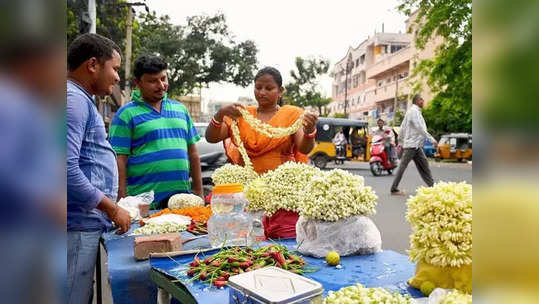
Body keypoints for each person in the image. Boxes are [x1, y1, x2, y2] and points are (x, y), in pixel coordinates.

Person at [205, 66, 318, 238]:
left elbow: (304, 147)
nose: (262, 92)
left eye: (269, 88)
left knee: (280, 239)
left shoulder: (292, 114)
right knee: (246, 238)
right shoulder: (241, 115)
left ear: (280, 91)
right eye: (258, 87)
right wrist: (219, 115)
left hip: (281, 192)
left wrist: (310, 131)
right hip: (247, 192)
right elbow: (211, 137)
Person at [67, 33, 131, 304]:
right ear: (92, 64)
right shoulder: (72, 101)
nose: (117, 78)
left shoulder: (79, 98)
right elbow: (64, 169)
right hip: (76, 225)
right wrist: (111, 208)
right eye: (114, 68)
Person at [109, 55, 202, 209]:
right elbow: (119, 160)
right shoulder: (126, 114)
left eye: (163, 78)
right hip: (143, 205)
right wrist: (123, 201)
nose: (161, 85)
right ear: (137, 83)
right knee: (145, 233)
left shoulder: (181, 109)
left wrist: (198, 192)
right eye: (153, 81)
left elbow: (193, 153)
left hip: (181, 203)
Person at [391, 94, 438, 195]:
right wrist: (432, 140)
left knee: (424, 165)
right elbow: (420, 128)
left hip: (416, 146)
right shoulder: (414, 112)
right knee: (403, 167)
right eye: (421, 100)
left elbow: (402, 127)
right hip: (411, 145)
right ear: (417, 101)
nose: (423, 101)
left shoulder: (412, 112)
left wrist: (400, 141)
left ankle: (432, 186)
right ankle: (394, 188)